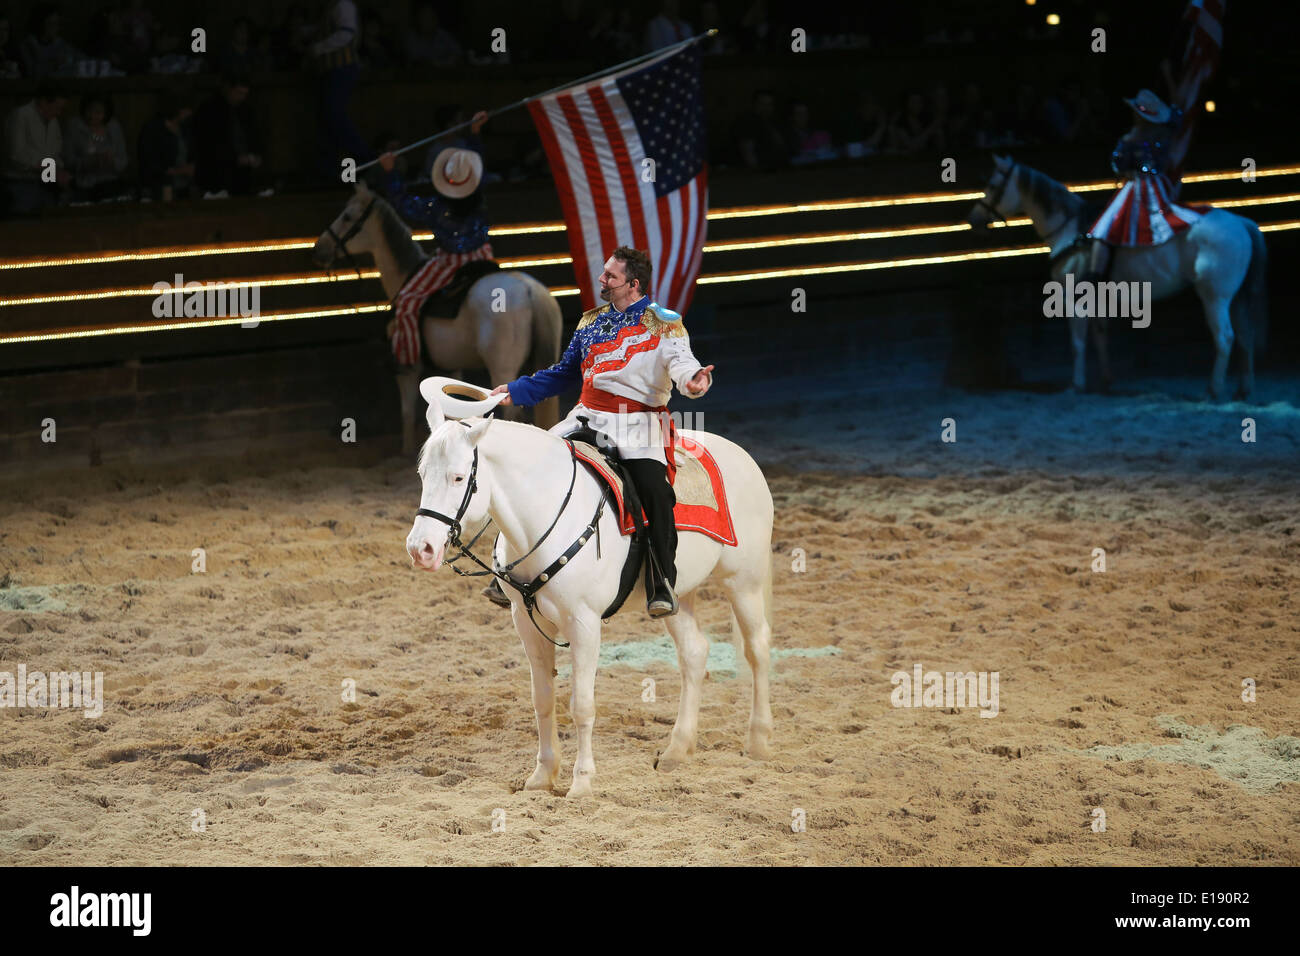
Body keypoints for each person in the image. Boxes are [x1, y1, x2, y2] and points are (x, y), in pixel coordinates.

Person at [487, 248, 714, 618]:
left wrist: (694, 381)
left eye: (610, 276)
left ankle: (661, 581)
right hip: (586, 417)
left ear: (633, 284)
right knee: (531, 469)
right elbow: (563, 374)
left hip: (636, 424)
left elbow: (682, 365)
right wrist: (515, 390)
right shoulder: (590, 321)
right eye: (604, 273)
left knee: (654, 490)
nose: (602, 280)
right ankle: (508, 570)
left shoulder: (665, 322)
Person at [377, 134, 494, 368]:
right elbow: (478, 161)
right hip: (483, 255)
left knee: (406, 301)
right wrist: (474, 134)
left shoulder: (435, 207)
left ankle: (406, 359)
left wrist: (391, 172)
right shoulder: (481, 194)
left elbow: (403, 202)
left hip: (450, 262)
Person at [1082, 89, 1204, 282]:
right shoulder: (1164, 135)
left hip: (1140, 186)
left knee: (1104, 227)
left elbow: (1119, 163)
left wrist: (1125, 149)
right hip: (1158, 183)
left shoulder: (1133, 138)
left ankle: (1096, 274)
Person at [3, 81, 70, 214]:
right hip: (22, 185)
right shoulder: (21, 116)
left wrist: (59, 171)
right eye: (57, 108)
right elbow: (17, 156)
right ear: (44, 102)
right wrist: (51, 169)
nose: (59, 113)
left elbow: (55, 152)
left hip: (47, 185)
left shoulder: (53, 122)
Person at [193, 72, 262, 197]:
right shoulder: (210, 110)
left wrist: (254, 155)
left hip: (243, 174)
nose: (241, 97)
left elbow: (253, 136)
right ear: (227, 89)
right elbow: (208, 143)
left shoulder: (245, 110)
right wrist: (234, 158)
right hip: (217, 174)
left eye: (244, 94)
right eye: (238, 93)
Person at [65, 93, 128, 201]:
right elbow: (68, 160)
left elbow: (123, 161)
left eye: (98, 112)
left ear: (106, 113)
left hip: (111, 184)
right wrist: (88, 162)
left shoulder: (113, 127)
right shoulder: (75, 126)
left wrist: (111, 161)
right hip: (83, 186)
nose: (92, 116)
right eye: (89, 111)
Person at [137, 92, 194, 200]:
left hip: (184, 188)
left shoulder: (186, 128)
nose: (189, 112)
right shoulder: (153, 129)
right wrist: (179, 171)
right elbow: (149, 164)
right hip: (160, 190)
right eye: (186, 108)